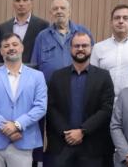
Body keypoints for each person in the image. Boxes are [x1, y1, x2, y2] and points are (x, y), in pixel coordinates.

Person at [44, 33, 115, 167]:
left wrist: (83, 131)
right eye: (76, 45)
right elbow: (50, 107)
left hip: (92, 145)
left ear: (91, 48)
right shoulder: (57, 76)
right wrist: (67, 133)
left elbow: (106, 109)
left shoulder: (103, 76)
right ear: (70, 49)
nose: (80, 49)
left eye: (84, 45)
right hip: (62, 144)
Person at [0, 33, 48, 166]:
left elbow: (40, 107)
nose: (11, 48)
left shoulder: (38, 76)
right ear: (1, 51)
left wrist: (16, 125)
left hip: (24, 140)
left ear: (22, 47)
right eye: (6, 46)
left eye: (15, 44)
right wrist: (7, 129)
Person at [31, 0, 92, 81]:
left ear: (69, 12)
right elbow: (34, 66)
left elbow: (92, 60)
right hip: (49, 89)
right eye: (55, 9)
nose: (59, 11)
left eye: (63, 8)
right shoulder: (42, 36)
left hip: (78, 85)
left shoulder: (83, 32)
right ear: (51, 13)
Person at [0, 0, 50, 64]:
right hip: (9, 70)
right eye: (18, 0)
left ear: (32, 3)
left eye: (25, 0)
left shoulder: (42, 25)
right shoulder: (4, 27)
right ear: (13, 4)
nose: (21, 4)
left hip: (33, 70)